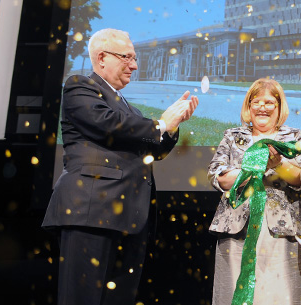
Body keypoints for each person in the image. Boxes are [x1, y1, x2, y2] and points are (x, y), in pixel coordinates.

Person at [41, 28, 199, 305]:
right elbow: (107, 124)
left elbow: (153, 151)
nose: (134, 66)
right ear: (101, 58)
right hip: (90, 211)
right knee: (82, 298)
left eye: (134, 59)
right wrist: (160, 123)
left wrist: (172, 128)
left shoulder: (130, 109)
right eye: (127, 57)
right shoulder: (80, 86)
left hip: (131, 217)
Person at [207, 78, 301, 305]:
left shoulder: (295, 138)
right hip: (238, 228)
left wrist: (277, 164)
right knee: (235, 293)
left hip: (281, 230)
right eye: (256, 102)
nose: (262, 107)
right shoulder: (232, 136)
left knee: (281, 294)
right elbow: (217, 176)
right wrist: (253, 168)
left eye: (269, 102)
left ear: (279, 107)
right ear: (248, 106)